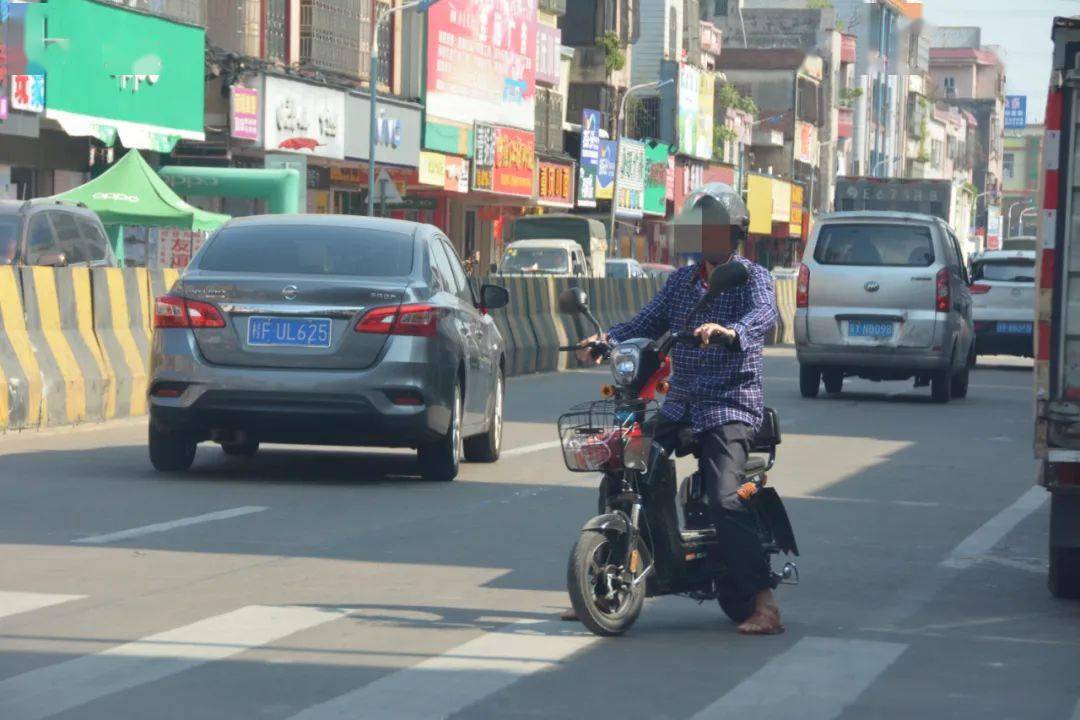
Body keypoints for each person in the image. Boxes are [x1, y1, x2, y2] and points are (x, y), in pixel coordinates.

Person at [564, 183, 783, 635]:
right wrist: (605, 340)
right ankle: (604, 585)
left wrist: (729, 330)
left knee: (726, 498)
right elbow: (643, 323)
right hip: (681, 403)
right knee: (621, 465)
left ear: (734, 233)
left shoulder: (750, 277)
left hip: (730, 404)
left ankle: (765, 603)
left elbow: (765, 315)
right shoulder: (680, 283)